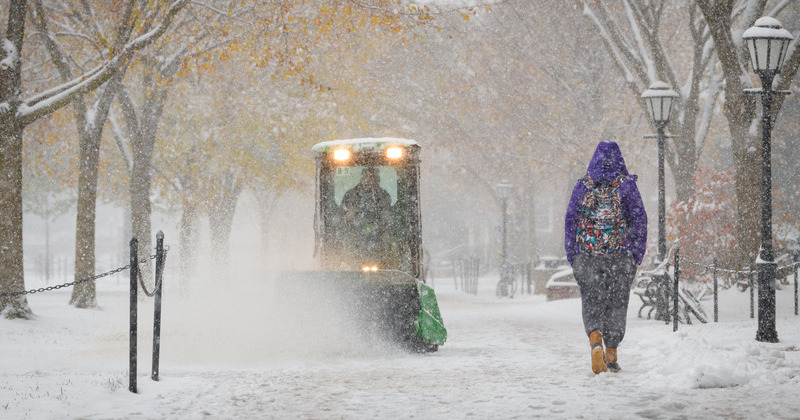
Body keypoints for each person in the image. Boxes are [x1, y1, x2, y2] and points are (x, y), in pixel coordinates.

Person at [564, 141, 647, 374]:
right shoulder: (626, 186)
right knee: (617, 304)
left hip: (588, 257)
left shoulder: (583, 186)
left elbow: (571, 220)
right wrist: (635, 254)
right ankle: (611, 356)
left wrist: (574, 255)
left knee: (592, 302)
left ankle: (595, 341)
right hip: (620, 257)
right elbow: (639, 220)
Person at [339, 167, 392, 264]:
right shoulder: (350, 195)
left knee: (392, 244)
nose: (368, 181)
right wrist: (347, 215)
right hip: (354, 233)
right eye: (365, 177)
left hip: (378, 234)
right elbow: (339, 217)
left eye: (372, 178)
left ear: (377, 181)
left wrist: (382, 222)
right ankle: (349, 267)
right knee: (347, 243)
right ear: (361, 179)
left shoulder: (384, 196)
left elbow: (388, 216)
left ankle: (388, 267)